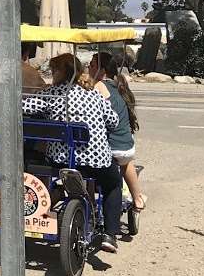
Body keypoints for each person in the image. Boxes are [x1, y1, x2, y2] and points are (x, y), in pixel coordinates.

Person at [21, 52, 122, 253]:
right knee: (113, 184)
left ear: (59, 72)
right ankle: (110, 234)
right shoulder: (93, 93)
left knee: (47, 165)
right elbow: (114, 121)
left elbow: (23, 107)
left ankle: (49, 205)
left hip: (62, 161)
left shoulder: (51, 95)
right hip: (97, 161)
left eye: (53, 70)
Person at [91, 52, 146, 214]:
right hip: (126, 147)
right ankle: (137, 197)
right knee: (126, 163)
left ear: (102, 70)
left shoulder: (99, 86)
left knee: (86, 160)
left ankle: (90, 203)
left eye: (92, 65)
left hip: (109, 148)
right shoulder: (119, 87)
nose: (88, 68)